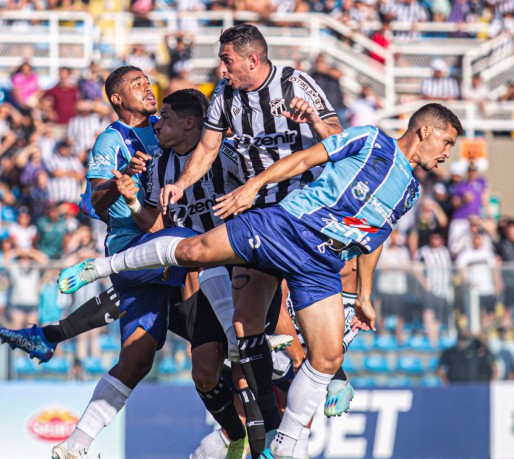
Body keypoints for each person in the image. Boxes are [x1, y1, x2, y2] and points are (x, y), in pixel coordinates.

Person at [58, 103, 463, 458]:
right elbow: (304, 160)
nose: (448, 153)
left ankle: (283, 444)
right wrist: (254, 186)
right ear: (424, 130)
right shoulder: (372, 140)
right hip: (288, 227)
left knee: (328, 357)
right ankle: (102, 267)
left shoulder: (410, 189)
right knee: (195, 252)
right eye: (446, 141)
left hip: (322, 262)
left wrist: (366, 295)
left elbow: (373, 239)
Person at [152, 23, 344, 453]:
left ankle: (330, 375)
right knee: (243, 325)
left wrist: (313, 118)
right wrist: (182, 184)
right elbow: (205, 151)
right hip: (258, 216)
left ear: (251, 59)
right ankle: (275, 431)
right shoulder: (224, 97)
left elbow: (340, 140)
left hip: (304, 214)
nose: (222, 69)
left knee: (306, 330)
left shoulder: (295, 83)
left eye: (227, 61)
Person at [48, 79, 248, 458]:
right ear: (117, 98)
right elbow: (99, 199)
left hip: (186, 246)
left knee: (211, 341)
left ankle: (238, 417)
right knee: (138, 357)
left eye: (148, 80)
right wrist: (124, 179)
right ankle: (76, 445)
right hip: (136, 243)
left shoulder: (177, 126)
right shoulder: (113, 141)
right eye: (136, 83)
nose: (147, 86)